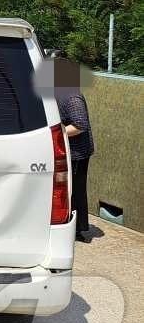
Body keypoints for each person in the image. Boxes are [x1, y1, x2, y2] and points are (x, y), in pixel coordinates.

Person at [57, 84, 96, 242]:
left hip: (77, 153)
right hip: (68, 150)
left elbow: (80, 125)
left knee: (75, 191)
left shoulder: (71, 97)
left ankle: (77, 229)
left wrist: (57, 133)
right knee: (69, 190)